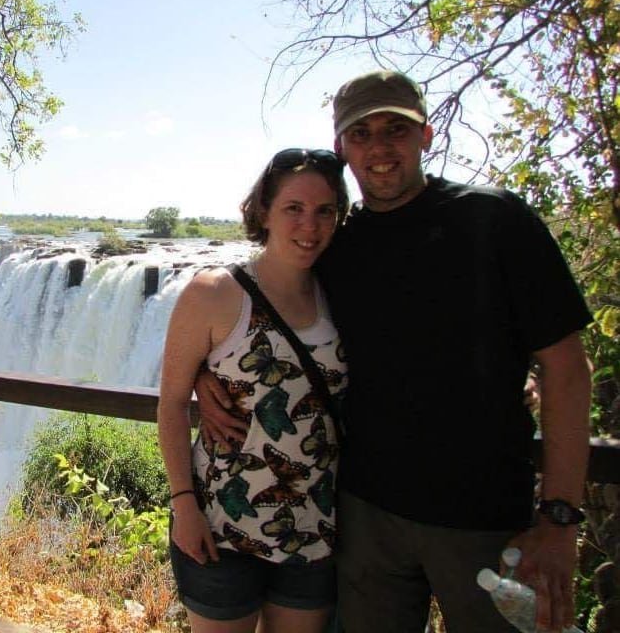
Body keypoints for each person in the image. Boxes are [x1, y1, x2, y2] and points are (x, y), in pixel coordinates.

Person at [195, 70, 593, 633]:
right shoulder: (335, 244)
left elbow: (568, 370)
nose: (379, 149)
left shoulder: (495, 220)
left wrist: (558, 520)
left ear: (426, 135)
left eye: (395, 130)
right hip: (364, 519)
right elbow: (257, 313)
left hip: (483, 521)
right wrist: (202, 377)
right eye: (362, 134)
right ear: (342, 148)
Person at [158, 148, 350, 633]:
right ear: (264, 211)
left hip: (315, 529)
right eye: (294, 208)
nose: (310, 225)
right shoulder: (215, 292)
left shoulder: (342, 293)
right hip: (221, 526)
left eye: (324, 210)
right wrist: (183, 504)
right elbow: (173, 402)